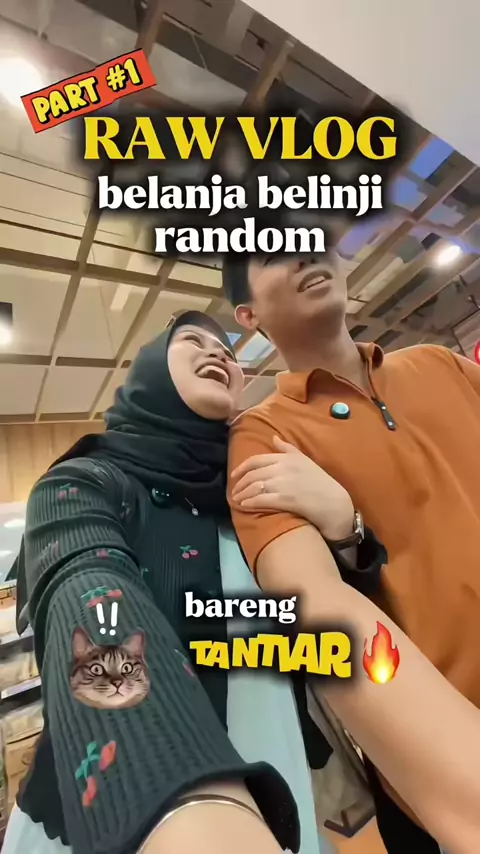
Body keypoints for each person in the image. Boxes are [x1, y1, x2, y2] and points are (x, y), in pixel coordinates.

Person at [3, 310, 381, 854]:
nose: (219, 353)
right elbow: (88, 592)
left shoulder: (260, 489)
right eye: (192, 340)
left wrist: (346, 528)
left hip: (275, 775)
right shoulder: (86, 481)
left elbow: (342, 626)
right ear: (152, 369)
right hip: (127, 807)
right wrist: (185, 803)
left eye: (228, 349)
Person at [223, 250, 480, 854]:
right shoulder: (262, 437)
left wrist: (348, 525)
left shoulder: (441, 365)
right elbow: (314, 609)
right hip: (441, 767)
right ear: (249, 315)